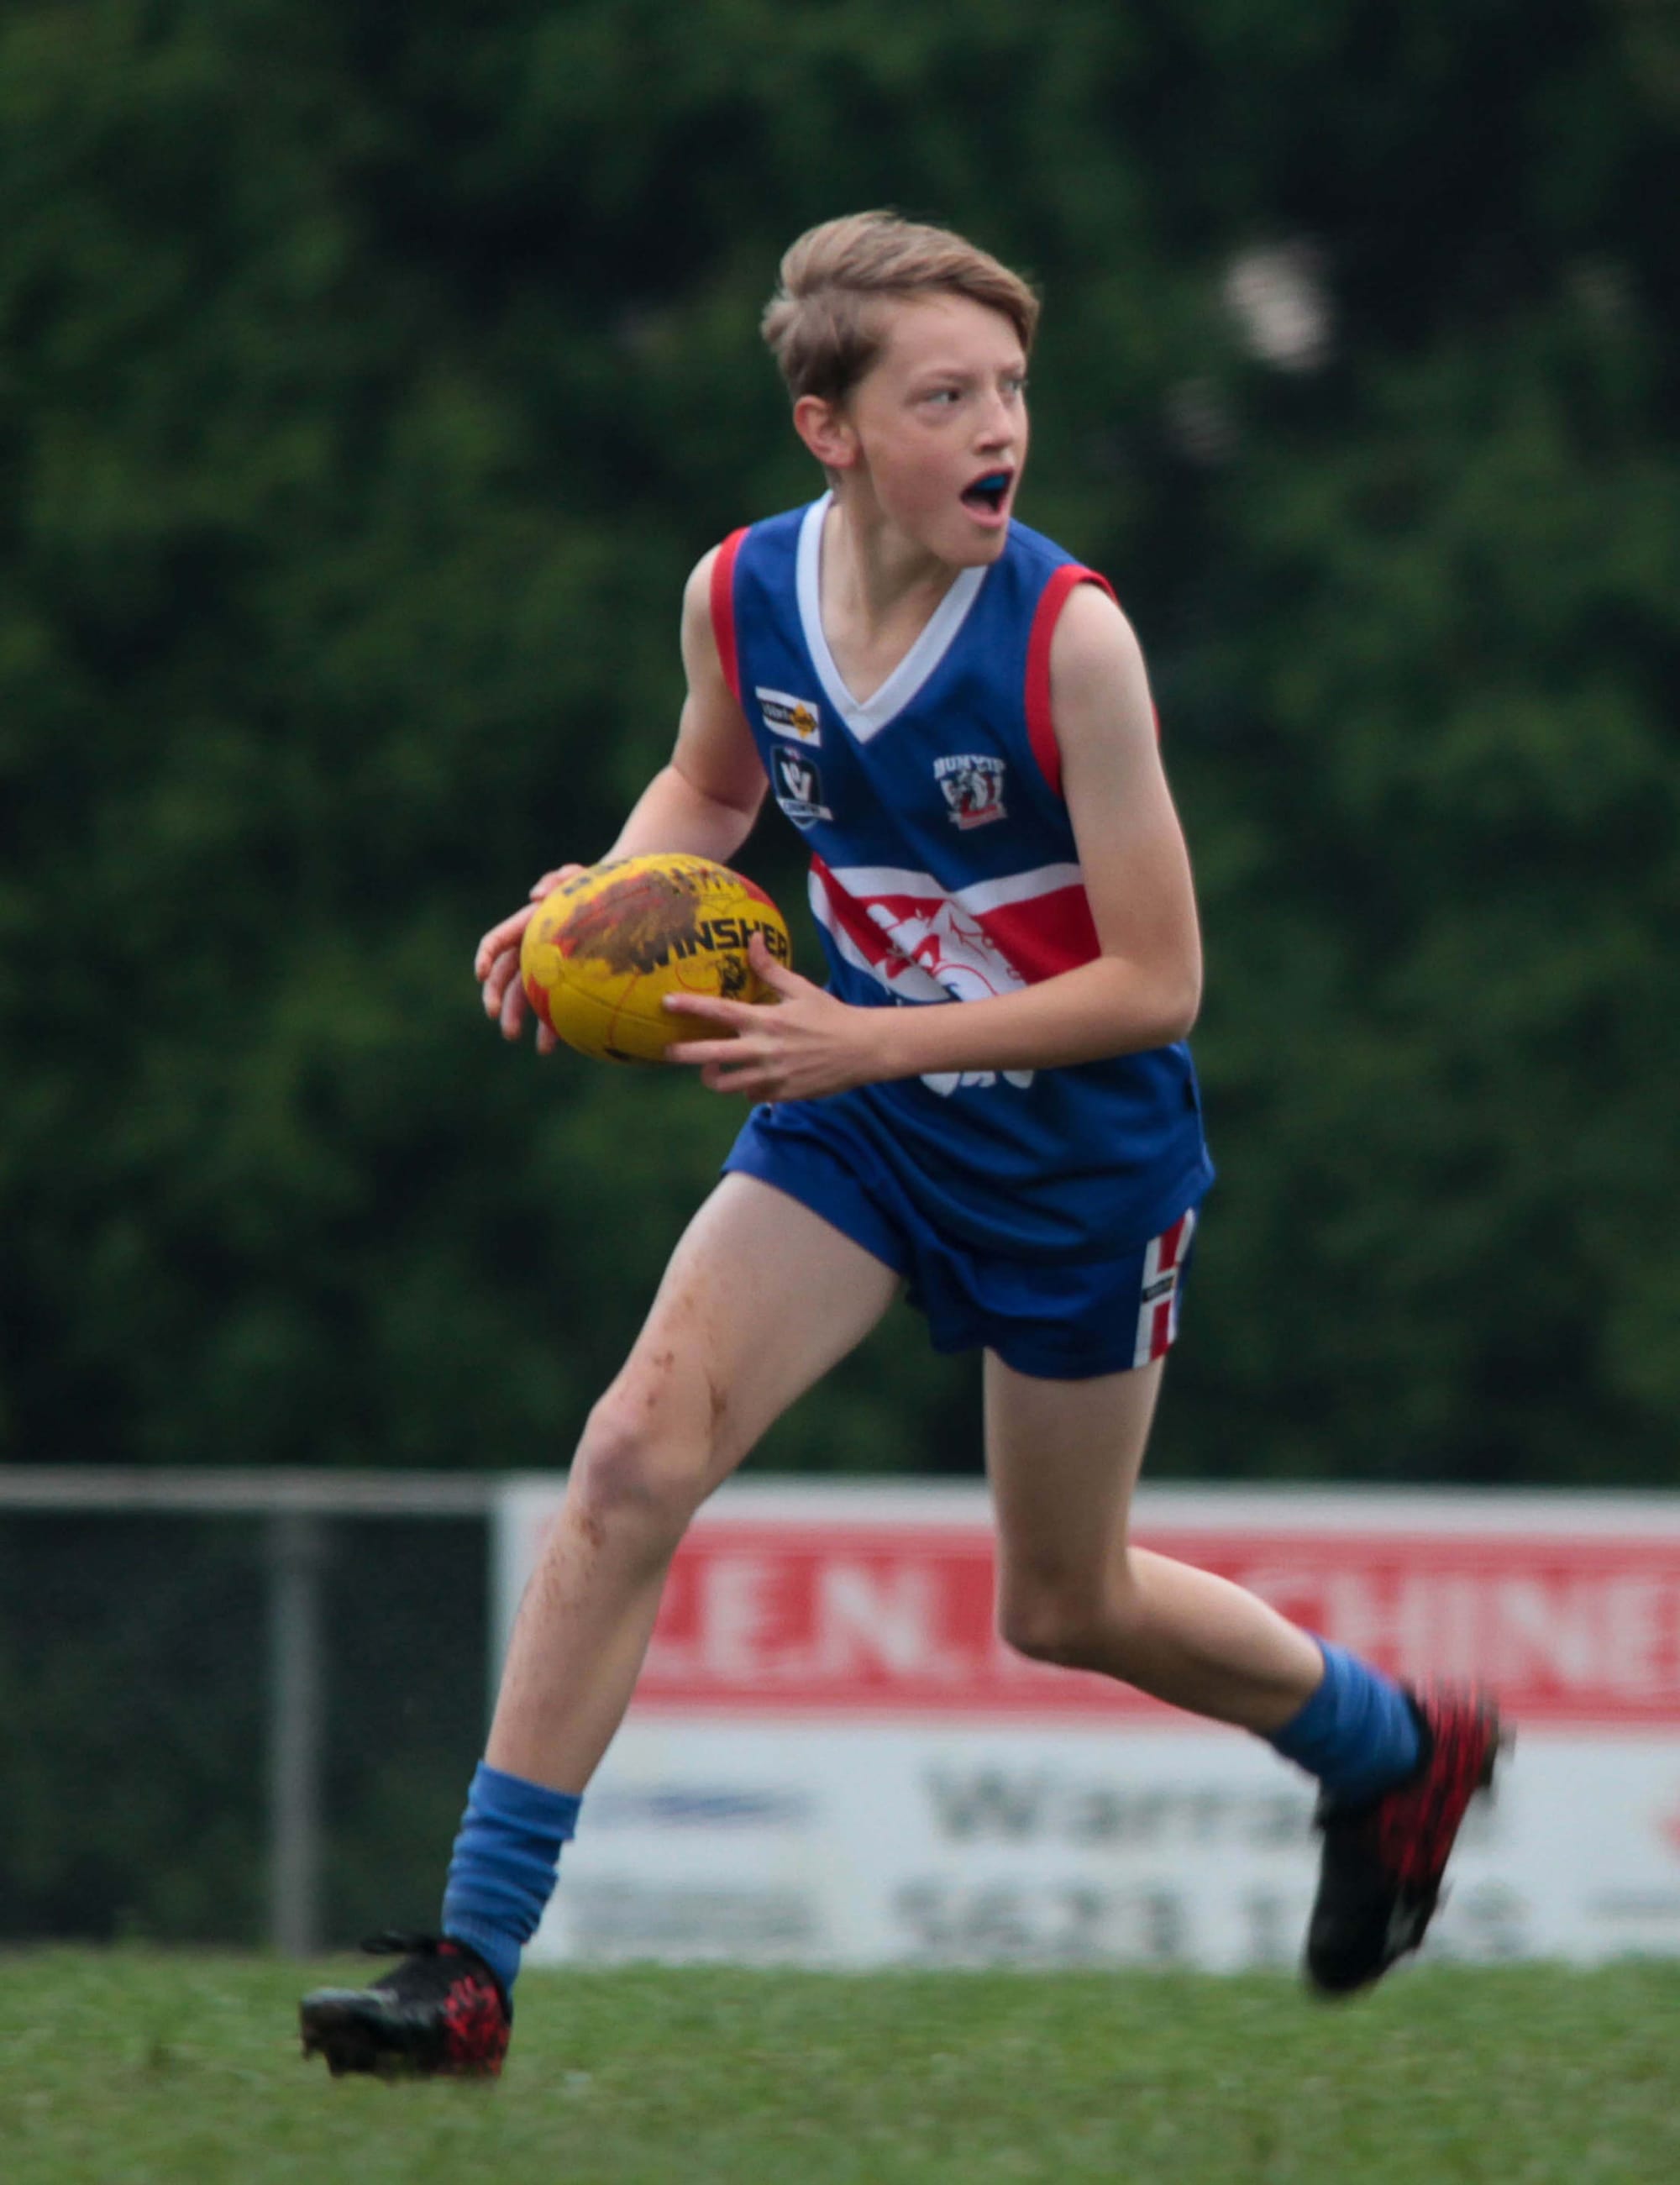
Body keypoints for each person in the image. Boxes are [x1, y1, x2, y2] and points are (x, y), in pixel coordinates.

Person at [300, 212, 1504, 2079]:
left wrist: (867, 1028)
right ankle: (467, 1970)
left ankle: (1390, 1747)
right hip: (853, 1123)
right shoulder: (741, 596)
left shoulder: (1072, 642)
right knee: (630, 1449)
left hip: (1072, 1167)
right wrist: (590, 911)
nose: (994, 429)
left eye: (1010, 390)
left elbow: (1161, 981)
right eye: (942, 396)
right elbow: (712, 785)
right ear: (827, 428)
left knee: (1065, 1600)